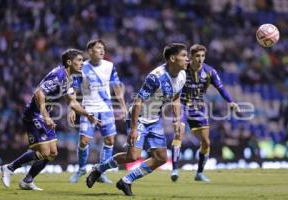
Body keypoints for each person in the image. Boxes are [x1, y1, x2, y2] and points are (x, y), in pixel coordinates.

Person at [85, 43, 189, 196]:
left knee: (161, 158)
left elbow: (176, 98)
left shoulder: (182, 75)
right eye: (184, 56)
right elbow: (137, 102)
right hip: (138, 117)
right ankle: (98, 169)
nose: (188, 59)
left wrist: (177, 120)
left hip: (153, 119)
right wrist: (133, 129)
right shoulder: (156, 78)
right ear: (173, 58)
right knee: (133, 156)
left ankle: (126, 181)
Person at [0, 49, 100, 190]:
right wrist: (45, 116)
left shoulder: (68, 78)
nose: (82, 63)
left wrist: (88, 115)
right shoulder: (59, 75)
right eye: (79, 60)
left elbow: (72, 102)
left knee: (52, 153)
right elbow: (38, 93)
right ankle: (9, 168)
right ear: (69, 62)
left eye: (82, 60)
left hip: (44, 115)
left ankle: (27, 181)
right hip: (34, 114)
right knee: (45, 152)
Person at [170, 44, 240, 182]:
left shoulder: (210, 72)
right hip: (182, 106)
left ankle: (199, 174)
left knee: (206, 142)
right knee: (179, 134)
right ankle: (175, 169)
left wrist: (230, 101)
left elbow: (221, 88)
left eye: (202, 56)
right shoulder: (182, 69)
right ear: (191, 57)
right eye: (197, 56)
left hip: (198, 108)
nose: (200, 59)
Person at [69, 39, 127, 184]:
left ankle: (100, 172)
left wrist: (123, 106)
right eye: (98, 48)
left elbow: (116, 86)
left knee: (109, 140)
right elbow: (74, 89)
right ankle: (82, 169)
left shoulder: (109, 66)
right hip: (88, 108)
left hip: (106, 108)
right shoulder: (82, 67)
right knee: (84, 140)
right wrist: (72, 108)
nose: (102, 50)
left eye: (103, 48)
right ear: (90, 51)